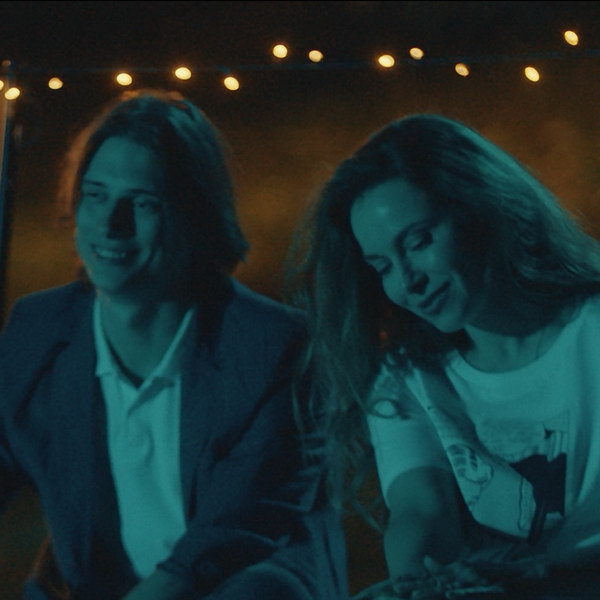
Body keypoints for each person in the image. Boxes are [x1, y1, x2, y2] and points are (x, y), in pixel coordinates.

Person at [0, 89, 348, 600]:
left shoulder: (274, 348)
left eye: (142, 203)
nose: (110, 225)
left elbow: (232, 532)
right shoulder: (40, 327)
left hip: (240, 586)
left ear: (194, 215)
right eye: (95, 195)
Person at [287, 113, 600, 599]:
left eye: (418, 242)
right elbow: (420, 507)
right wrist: (417, 584)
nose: (406, 282)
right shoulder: (410, 379)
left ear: (483, 209)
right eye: (382, 266)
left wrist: (548, 579)